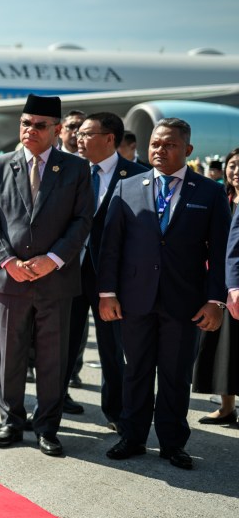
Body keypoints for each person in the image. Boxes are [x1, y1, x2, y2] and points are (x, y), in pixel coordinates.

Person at [100, 119, 229, 469]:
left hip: (185, 302)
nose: (160, 150)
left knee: (175, 375)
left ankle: (173, 443)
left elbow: (220, 253)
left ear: (187, 150)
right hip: (134, 299)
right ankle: (132, 437)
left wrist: (215, 301)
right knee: (136, 371)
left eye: (169, 145)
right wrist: (107, 294)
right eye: (155, 144)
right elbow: (110, 247)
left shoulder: (209, 192)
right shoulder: (128, 187)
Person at [0, 94, 92, 457]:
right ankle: (11, 421)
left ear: (57, 130)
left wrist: (54, 258)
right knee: (10, 354)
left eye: (39, 125)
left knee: (52, 358)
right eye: (25, 123)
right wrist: (6, 261)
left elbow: (82, 220)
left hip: (55, 280)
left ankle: (47, 427)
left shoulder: (74, 168)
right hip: (12, 278)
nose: (30, 130)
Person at [70, 112, 149, 427]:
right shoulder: (72, 171)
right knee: (63, 344)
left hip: (112, 281)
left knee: (112, 351)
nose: (79, 138)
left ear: (109, 139)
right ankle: (54, 403)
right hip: (70, 274)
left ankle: (115, 411)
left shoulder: (138, 176)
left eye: (87, 133)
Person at [192, 147, 239, 423]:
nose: (235, 170)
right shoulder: (221, 199)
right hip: (221, 285)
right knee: (223, 349)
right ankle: (226, 407)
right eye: (232, 165)